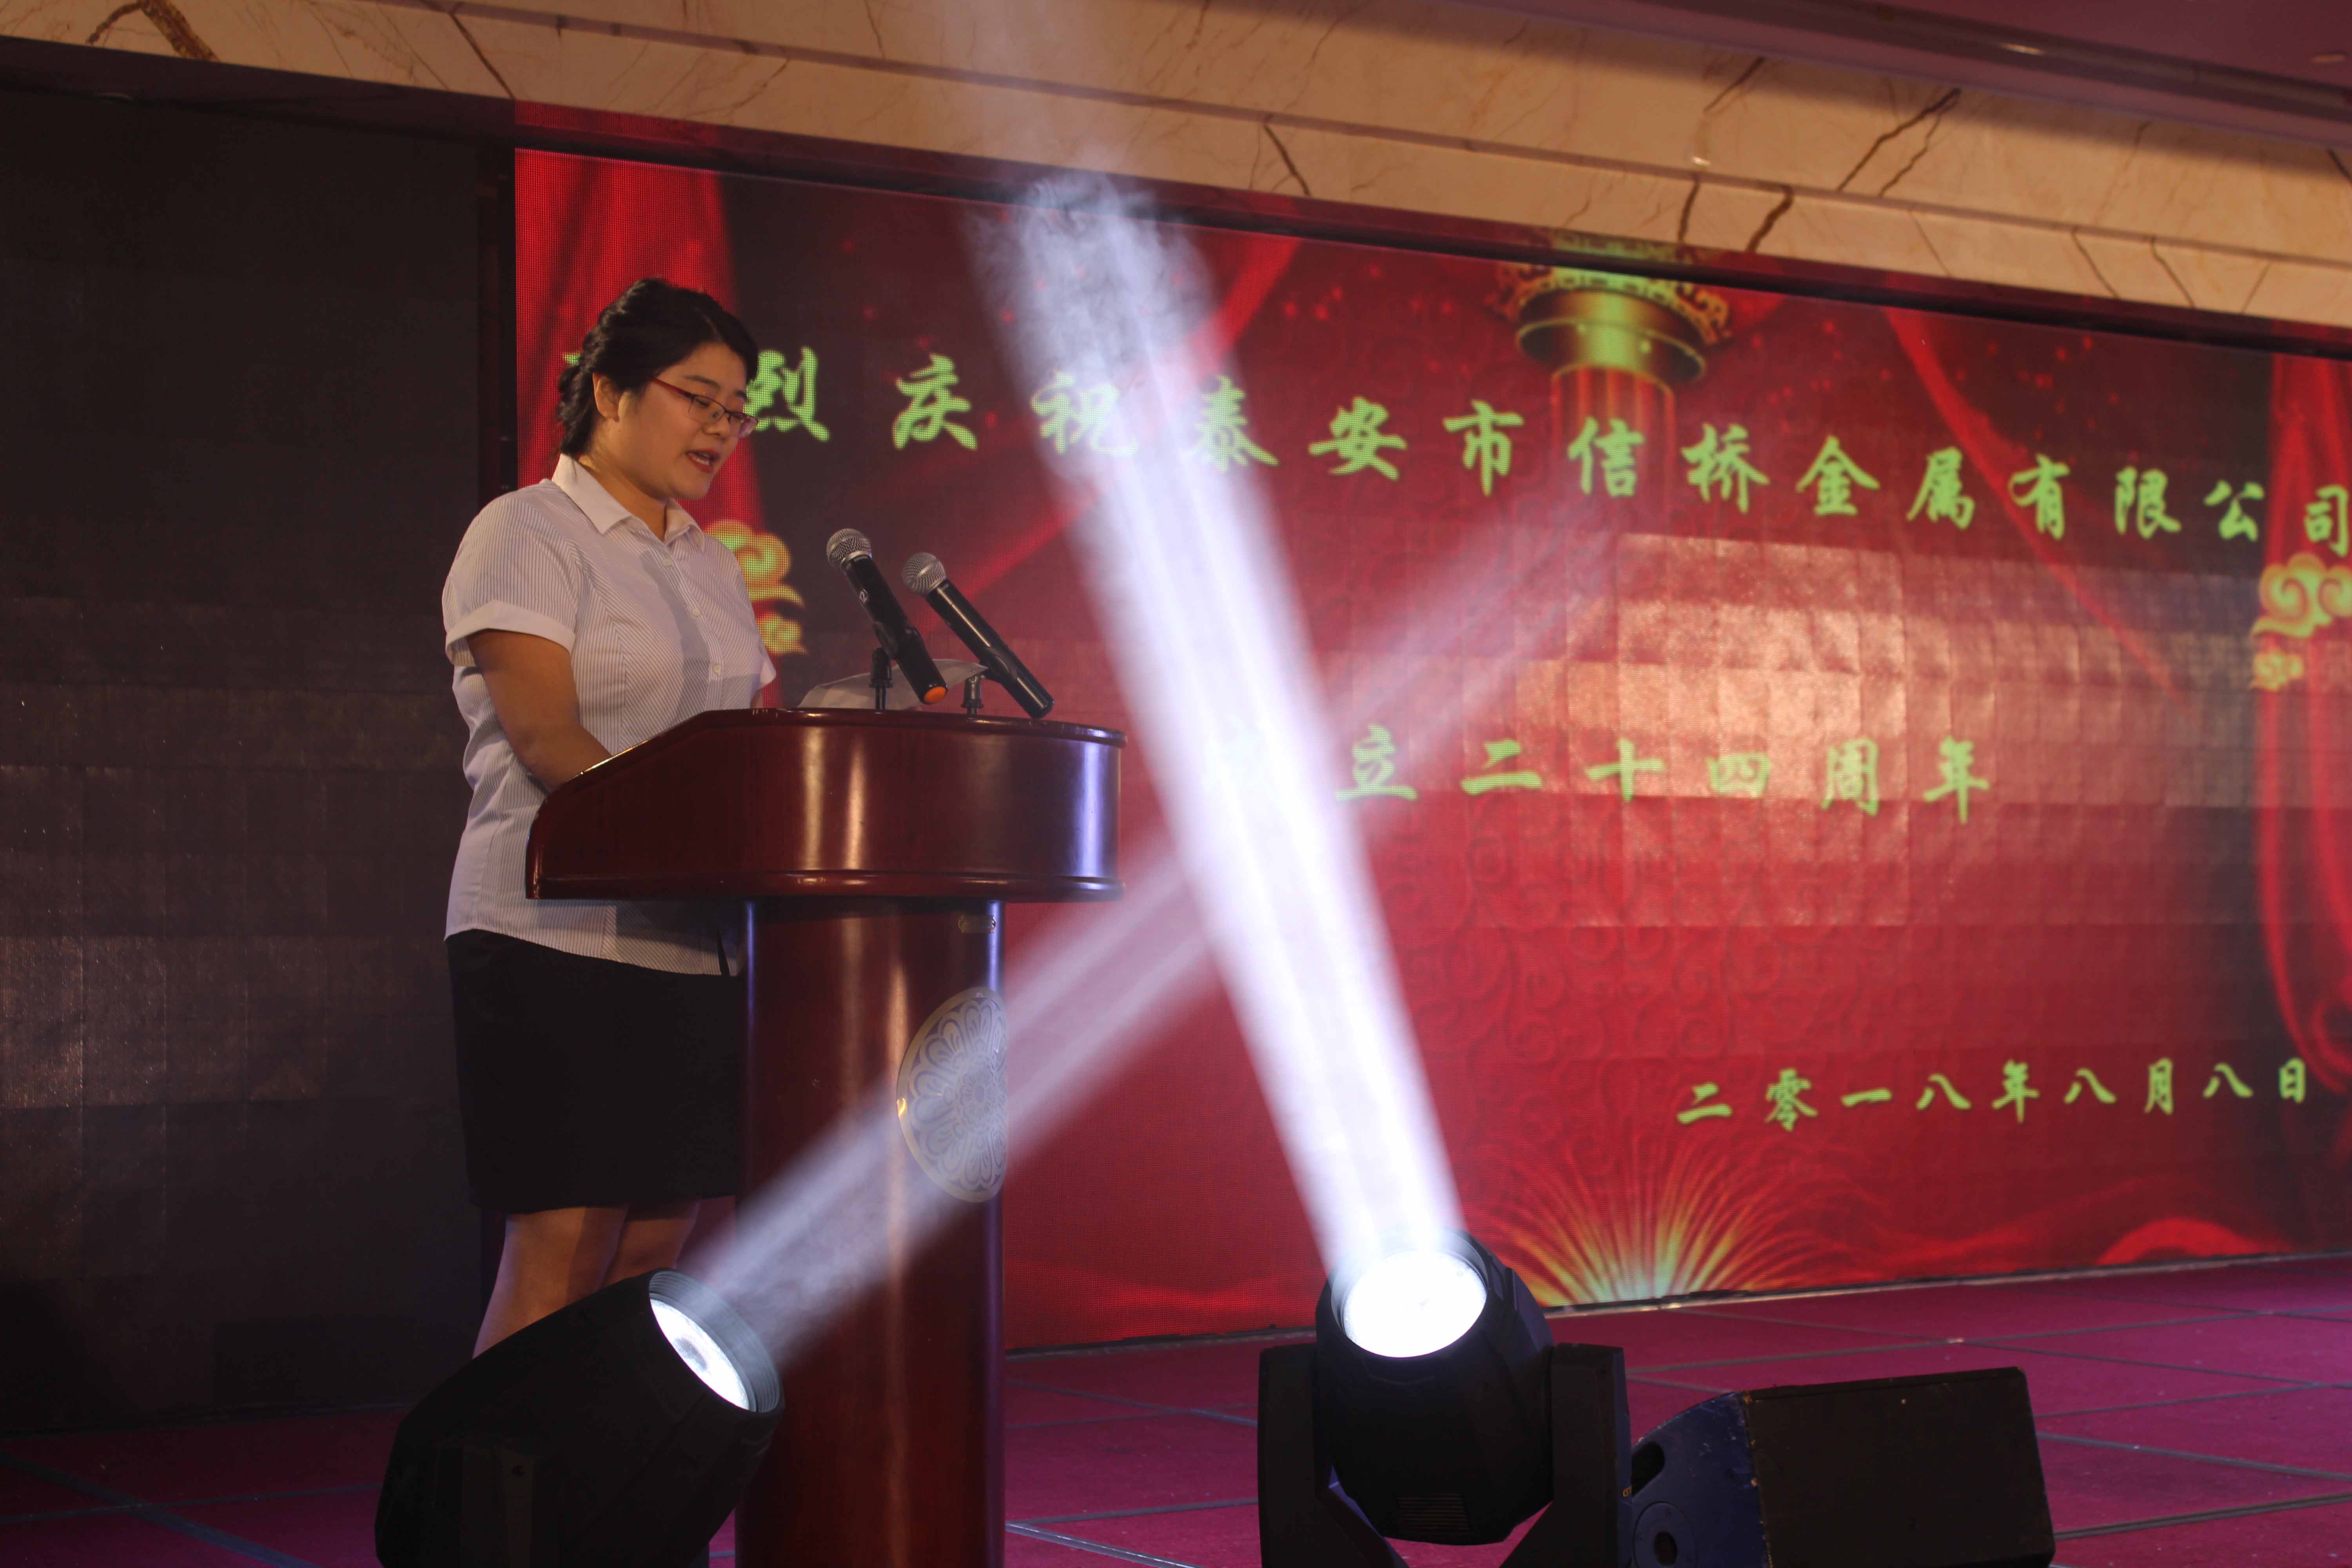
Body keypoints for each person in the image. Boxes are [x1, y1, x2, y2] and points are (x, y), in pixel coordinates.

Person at [441, 278, 771, 1354]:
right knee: (567, 1241)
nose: (720, 429)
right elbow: (548, 738)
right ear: (612, 393)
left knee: (654, 1253)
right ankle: (499, 1469)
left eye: (736, 411)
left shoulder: (711, 562)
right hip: (554, 932)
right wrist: (695, 849)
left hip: (692, 942)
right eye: (698, 399)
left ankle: (608, 1465)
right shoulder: (526, 530)